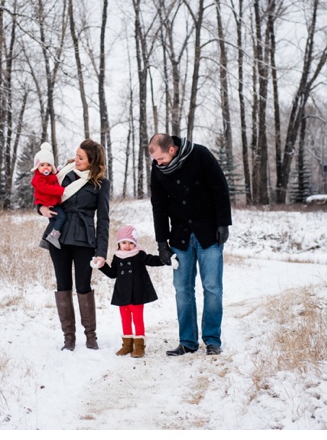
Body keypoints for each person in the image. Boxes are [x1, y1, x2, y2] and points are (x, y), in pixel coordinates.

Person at [148, 133, 232, 356]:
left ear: (172, 150)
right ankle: (187, 341)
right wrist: (161, 243)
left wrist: (223, 223)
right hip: (180, 236)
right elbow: (158, 206)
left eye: (161, 159)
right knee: (182, 290)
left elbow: (220, 188)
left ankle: (212, 339)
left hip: (208, 233)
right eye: (155, 160)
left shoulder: (200, 155)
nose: (158, 164)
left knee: (212, 288)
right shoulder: (158, 169)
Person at [39, 139, 110, 351]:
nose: (76, 160)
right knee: (63, 285)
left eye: (81, 158)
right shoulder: (62, 175)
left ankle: (91, 336)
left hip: (84, 240)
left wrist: (101, 251)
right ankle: (68, 338)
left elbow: (104, 219)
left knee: (83, 286)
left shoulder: (100, 184)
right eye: (76, 155)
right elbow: (43, 194)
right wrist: (40, 208)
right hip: (58, 238)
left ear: (92, 161)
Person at [92, 225, 177, 358]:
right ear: (119, 243)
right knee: (125, 320)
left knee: (137, 319)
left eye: (131, 243)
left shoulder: (139, 254)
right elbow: (113, 273)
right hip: (122, 294)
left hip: (137, 294)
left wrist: (167, 260)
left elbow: (152, 260)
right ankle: (127, 345)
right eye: (124, 242)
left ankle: (139, 346)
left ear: (135, 243)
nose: (127, 246)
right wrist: (101, 266)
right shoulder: (117, 256)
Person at [31, 142, 67, 249]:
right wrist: (61, 190)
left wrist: (59, 171)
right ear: (37, 166)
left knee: (53, 220)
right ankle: (53, 236)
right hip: (48, 203)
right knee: (61, 217)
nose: (45, 168)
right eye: (42, 165)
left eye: (48, 165)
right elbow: (46, 188)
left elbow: (54, 178)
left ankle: (45, 239)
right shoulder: (38, 178)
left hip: (52, 203)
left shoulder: (50, 176)